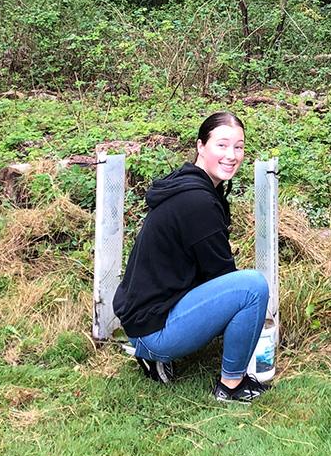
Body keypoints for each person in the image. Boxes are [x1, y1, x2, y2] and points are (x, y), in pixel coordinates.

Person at [113, 111, 271, 403]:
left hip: (143, 320)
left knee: (242, 289)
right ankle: (231, 386)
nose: (232, 155)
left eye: (239, 146)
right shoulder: (197, 201)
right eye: (221, 145)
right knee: (252, 288)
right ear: (201, 146)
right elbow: (223, 277)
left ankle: (152, 355)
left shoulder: (189, 184)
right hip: (154, 329)